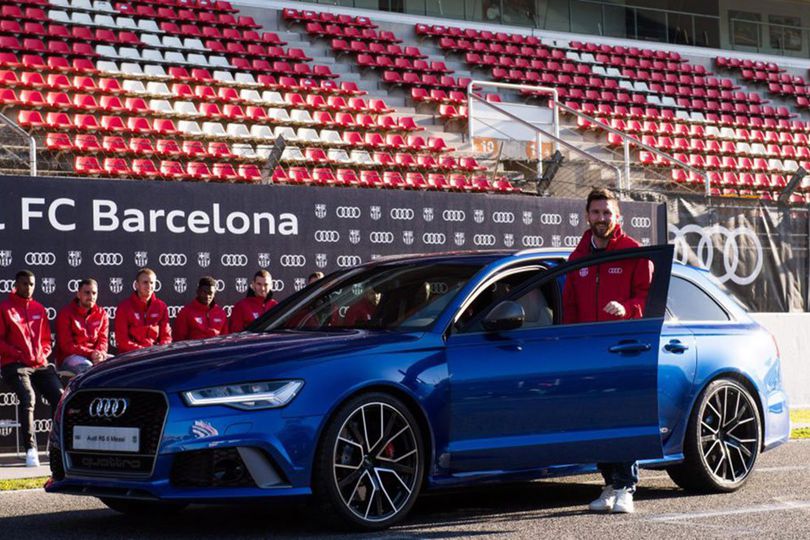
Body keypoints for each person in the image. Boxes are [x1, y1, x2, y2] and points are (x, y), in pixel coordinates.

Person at [562, 188, 652, 514]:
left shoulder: (633, 251)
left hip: (623, 349)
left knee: (622, 416)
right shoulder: (577, 256)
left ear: (619, 217)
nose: (602, 219)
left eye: (607, 213)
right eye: (596, 213)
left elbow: (646, 298)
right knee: (595, 419)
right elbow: (570, 306)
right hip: (588, 352)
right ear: (587, 216)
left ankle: (627, 486)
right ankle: (610, 485)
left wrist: (626, 309)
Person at [0, 270, 63, 467]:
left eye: (32, 284)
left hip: (39, 364)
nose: (29, 288)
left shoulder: (39, 308)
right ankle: (31, 449)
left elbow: (46, 341)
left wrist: (43, 354)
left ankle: (58, 447)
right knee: (28, 398)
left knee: (60, 397)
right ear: (16, 285)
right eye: (25, 284)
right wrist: (18, 354)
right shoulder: (5, 308)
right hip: (15, 364)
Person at [55, 278, 109, 375]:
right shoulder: (65, 313)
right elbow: (66, 346)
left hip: (95, 356)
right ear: (78, 294)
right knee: (89, 369)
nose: (91, 296)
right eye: (87, 293)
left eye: (94, 293)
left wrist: (99, 354)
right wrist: (91, 353)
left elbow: (103, 340)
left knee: (118, 365)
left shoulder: (102, 314)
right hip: (71, 357)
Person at [115, 268, 171, 353]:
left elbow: (166, 336)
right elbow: (122, 340)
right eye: (145, 282)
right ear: (137, 285)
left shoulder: (161, 306)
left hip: (155, 354)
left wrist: (160, 350)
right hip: (132, 356)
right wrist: (142, 351)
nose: (149, 286)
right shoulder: (124, 307)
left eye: (152, 283)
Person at [173, 276, 229, 341]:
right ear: (198, 291)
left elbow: (225, 339)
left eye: (210, 293)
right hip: (194, 350)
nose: (207, 296)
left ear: (214, 294)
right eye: (204, 292)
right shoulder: (186, 312)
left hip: (215, 350)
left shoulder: (221, 313)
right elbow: (178, 339)